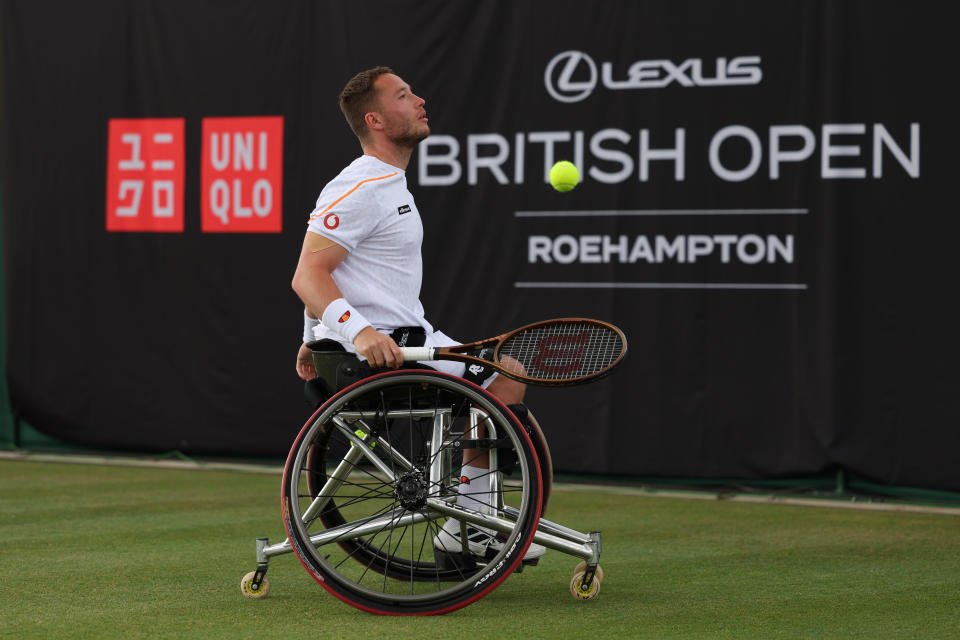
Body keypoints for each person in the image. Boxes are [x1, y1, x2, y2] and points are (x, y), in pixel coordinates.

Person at [291, 66, 543, 561]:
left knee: (501, 376)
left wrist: (311, 334)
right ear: (376, 119)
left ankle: (470, 514)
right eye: (404, 96)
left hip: (399, 340)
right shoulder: (365, 186)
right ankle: (466, 524)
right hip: (384, 352)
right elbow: (308, 273)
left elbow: (329, 274)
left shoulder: (386, 183)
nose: (420, 100)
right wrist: (354, 333)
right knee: (505, 377)